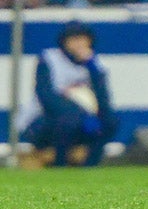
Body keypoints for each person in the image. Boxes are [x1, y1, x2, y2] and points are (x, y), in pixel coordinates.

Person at [17, 21, 118, 168]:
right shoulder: (49, 59)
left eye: (82, 39)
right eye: (73, 39)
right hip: (43, 121)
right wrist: (80, 113)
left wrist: (92, 69)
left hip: (82, 120)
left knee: (110, 121)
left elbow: (103, 99)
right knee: (69, 120)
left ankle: (90, 165)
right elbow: (46, 96)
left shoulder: (95, 64)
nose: (78, 44)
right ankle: (59, 164)